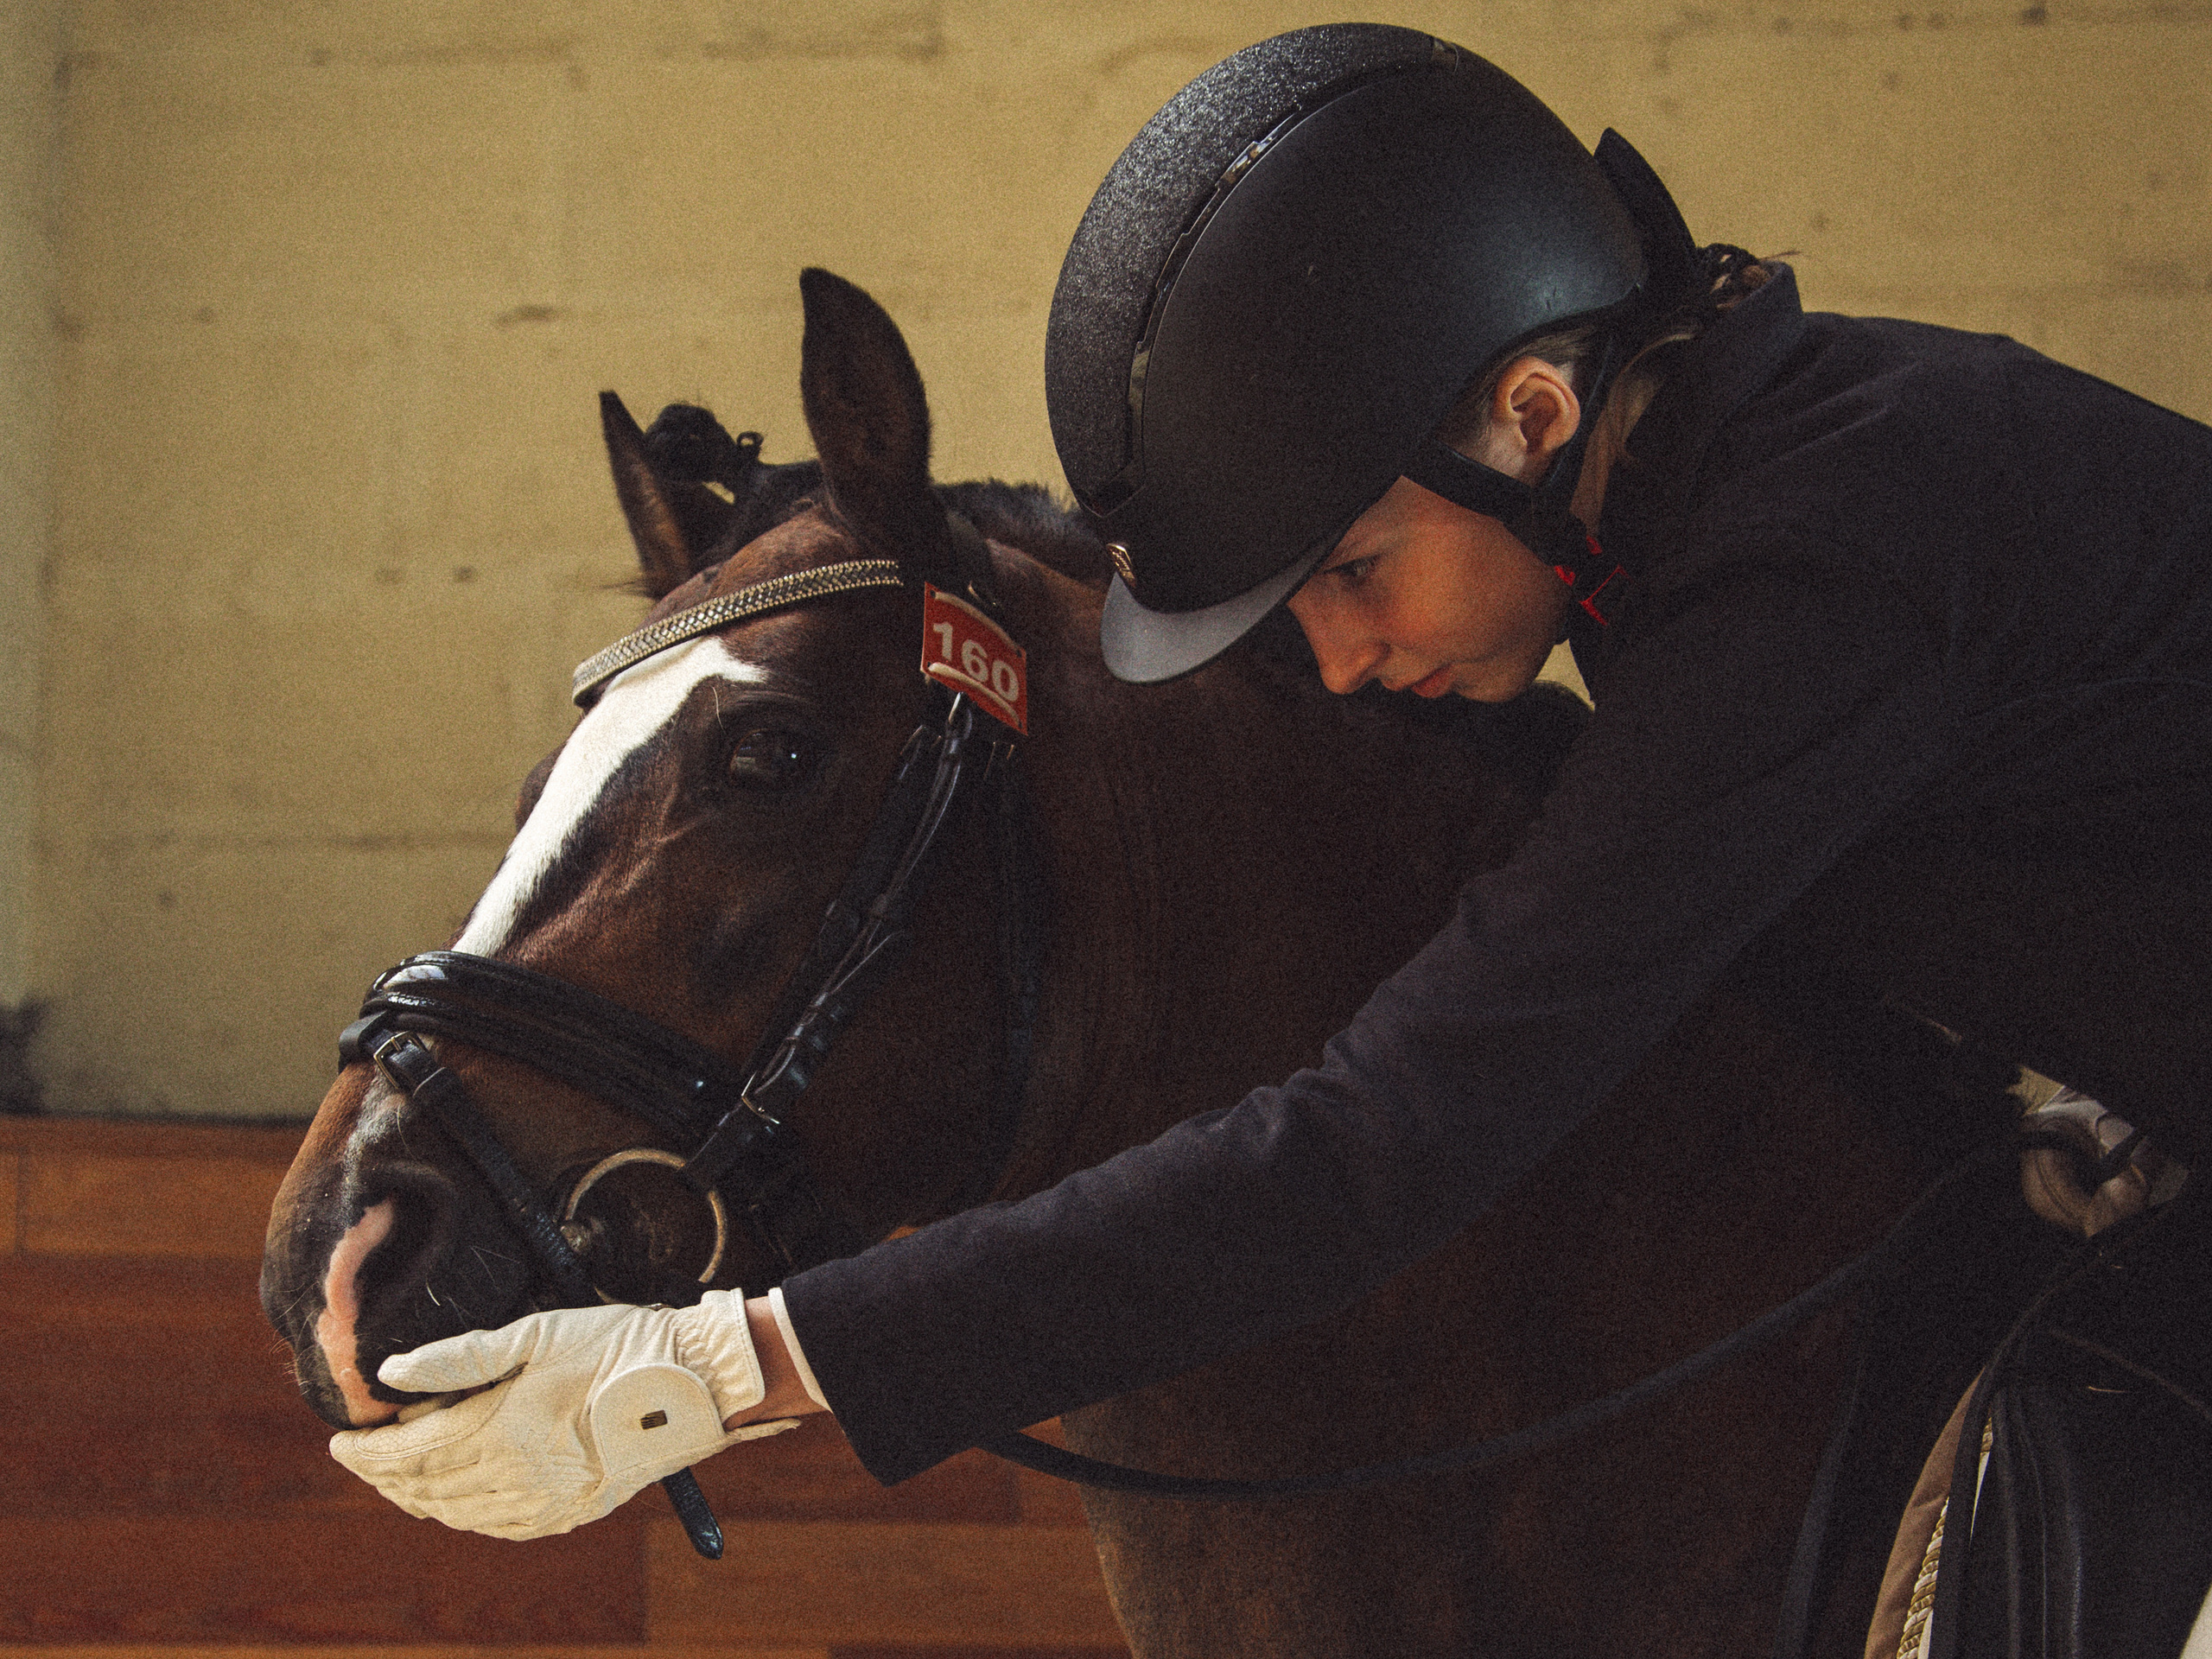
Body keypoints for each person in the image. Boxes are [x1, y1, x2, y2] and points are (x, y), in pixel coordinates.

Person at [331, 16, 2212, 1599]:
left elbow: (1396, 1134)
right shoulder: (1714, 519)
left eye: (1347, 565)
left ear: (1528, 416)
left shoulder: (1822, 542)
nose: (1327, 649)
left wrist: (732, 1368)